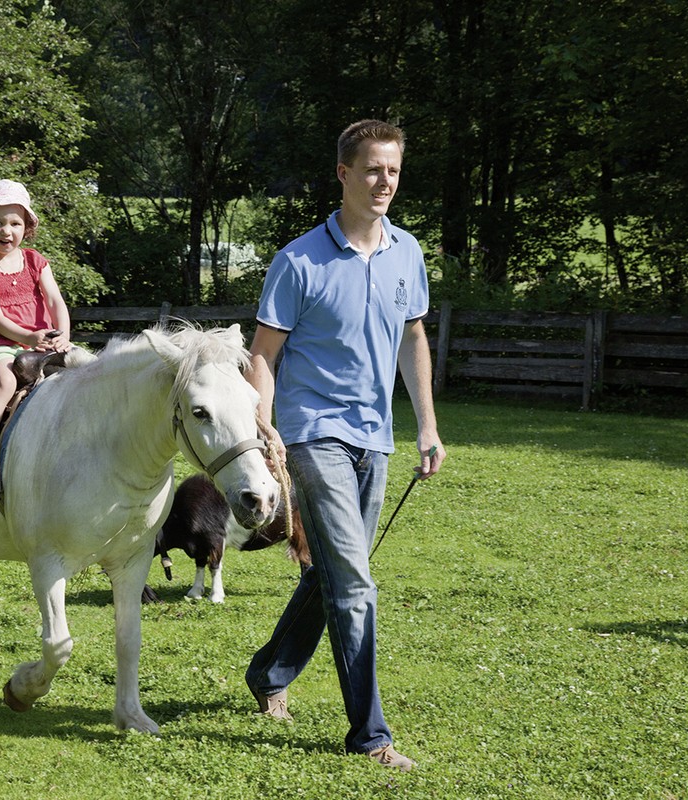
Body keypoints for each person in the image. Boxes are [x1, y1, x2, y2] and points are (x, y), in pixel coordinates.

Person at [243, 120, 446, 771]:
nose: (384, 181)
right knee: (355, 582)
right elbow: (262, 355)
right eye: (372, 170)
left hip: (375, 440)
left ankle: (269, 672)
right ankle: (371, 737)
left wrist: (429, 425)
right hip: (311, 437)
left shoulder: (407, 254)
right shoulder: (299, 259)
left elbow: (414, 339)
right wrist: (265, 429)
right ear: (344, 174)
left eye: (393, 170)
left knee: (334, 574)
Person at [0, 179, 72, 500]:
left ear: (27, 228)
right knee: (5, 379)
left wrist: (62, 334)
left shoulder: (36, 261)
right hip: (0, 346)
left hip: (43, 341)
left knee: (86, 370)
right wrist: (30, 336)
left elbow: (55, 301)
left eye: (14, 223)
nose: (5, 231)